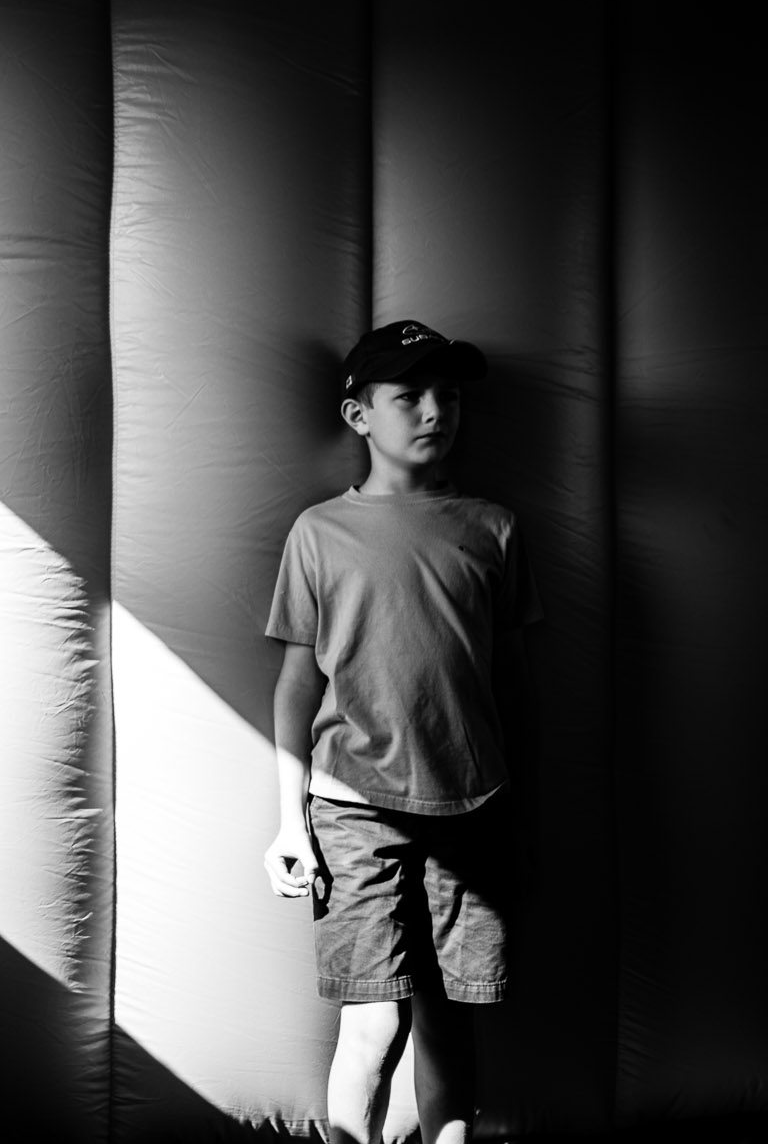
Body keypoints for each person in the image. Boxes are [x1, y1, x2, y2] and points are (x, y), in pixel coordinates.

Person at [261, 320, 542, 1144]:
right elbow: (297, 679)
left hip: (476, 803)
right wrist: (289, 821)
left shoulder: (494, 527)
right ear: (358, 415)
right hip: (353, 807)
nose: (434, 410)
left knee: (453, 1023)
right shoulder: (319, 533)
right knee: (374, 1023)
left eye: (448, 395)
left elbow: (518, 687)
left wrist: (525, 812)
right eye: (409, 394)